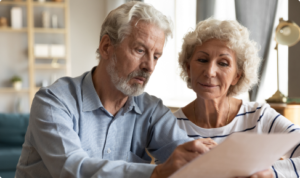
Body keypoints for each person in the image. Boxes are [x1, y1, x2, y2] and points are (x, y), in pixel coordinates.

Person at [15, 2, 217, 178]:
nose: (150, 66)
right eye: (140, 50)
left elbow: (187, 155)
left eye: (156, 56)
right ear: (105, 47)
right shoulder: (53, 101)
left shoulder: (151, 111)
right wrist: (157, 173)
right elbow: (72, 169)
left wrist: (216, 162)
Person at [174, 18, 300, 178]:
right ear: (188, 67)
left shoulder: (260, 117)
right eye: (202, 60)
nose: (210, 72)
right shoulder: (169, 125)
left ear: (237, 76)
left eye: (223, 63)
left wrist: (269, 172)